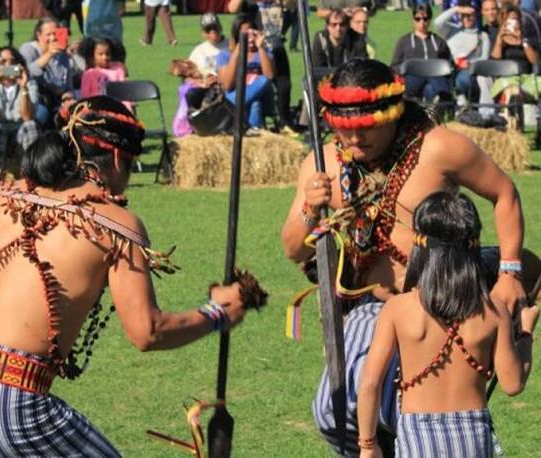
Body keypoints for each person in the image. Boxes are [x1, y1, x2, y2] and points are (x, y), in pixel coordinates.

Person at [0, 96, 264, 456]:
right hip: (9, 409)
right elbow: (147, 331)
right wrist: (217, 314)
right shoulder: (115, 224)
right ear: (120, 159)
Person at [280, 58, 535, 457]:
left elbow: (504, 194)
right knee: (333, 411)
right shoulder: (324, 163)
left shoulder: (439, 147)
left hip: (441, 299)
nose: (356, 140)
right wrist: (311, 209)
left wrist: (509, 271)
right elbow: (294, 249)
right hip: (372, 305)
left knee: (412, 411)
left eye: (368, 127)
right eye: (346, 130)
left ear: (393, 114)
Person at [357, 191, 538, 457]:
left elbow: (370, 382)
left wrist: (368, 445)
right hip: (473, 434)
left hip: (417, 435)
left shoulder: (398, 309)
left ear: (420, 246)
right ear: (473, 247)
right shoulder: (492, 311)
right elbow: (513, 383)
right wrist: (525, 332)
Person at [227, 0, 295, 132]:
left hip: (275, 44)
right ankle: (241, 113)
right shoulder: (250, 4)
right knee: (258, 84)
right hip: (252, 47)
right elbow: (232, 8)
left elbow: (291, 5)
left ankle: (284, 122)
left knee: (284, 86)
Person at [0, 46, 41, 179]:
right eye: (3, 62)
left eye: (12, 61)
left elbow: (27, 117)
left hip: (17, 135)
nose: (8, 65)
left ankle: (34, 177)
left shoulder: (30, 84)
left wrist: (23, 87)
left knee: (31, 125)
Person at [217, 16, 275, 130]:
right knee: (255, 104)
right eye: (244, 35)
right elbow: (227, 85)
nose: (249, 39)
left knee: (264, 80)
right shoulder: (225, 54)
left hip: (264, 97)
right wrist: (237, 52)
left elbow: (270, 76)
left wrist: (261, 48)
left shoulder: (264, 51)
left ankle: (231, 105)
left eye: (252, 34)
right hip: (236, 92)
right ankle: (252, 133)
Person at [390, 4, 453, 103]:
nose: (422, 22)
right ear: (413, 20)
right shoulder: (404, 41)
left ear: (430, 20)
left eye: (425, 18)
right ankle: (445, 97)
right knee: (428, 70)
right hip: (412, 80)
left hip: (434, 81)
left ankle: (433, 111)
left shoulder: (439, 41)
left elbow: (448, 63)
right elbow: (394, 66)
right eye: (418, 19)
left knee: (430, 88)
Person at [20, 17, 74, 127]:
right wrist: (49, 54)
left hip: (56, 102)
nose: (53, 38)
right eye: (48, 34)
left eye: (56, 34)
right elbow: (26, 74)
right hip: (32, 101)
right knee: (41, 113)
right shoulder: (28, 49)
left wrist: (68, 99)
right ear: (39, 35)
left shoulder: (63, 56)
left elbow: (67, 86)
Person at [434, 2, 490, 102]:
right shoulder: (451, 30)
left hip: (469, 70)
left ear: (475, 15)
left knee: (464, 79)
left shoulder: (482, 36)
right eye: (464, 15)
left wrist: (469, 64)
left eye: (470, 15)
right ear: (459, 15)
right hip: (450, 69)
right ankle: (459, 104)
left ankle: (463, 104)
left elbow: (484, 59)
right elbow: (437, 23)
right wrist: (456, 9)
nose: (467, 18)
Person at [490, 4, 539, 105]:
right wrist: (500, 39)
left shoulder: (526, 36)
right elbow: (494, 60)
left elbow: (534, 60)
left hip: (526, 77)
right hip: (506, 77)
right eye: (509, 20)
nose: (513, 23)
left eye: (515, 19)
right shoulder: (496, 36)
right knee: (511, 89)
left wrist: (523, 42)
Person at [79, 36, 131, 112]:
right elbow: (85, 96)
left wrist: (128, 108)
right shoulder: (89, 74)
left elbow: (124, 92)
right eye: (100, 54)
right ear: (93, 56)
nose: (105, 57)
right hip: (95, 109)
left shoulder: (118, 69)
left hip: (116, 108)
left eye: (107, 54)